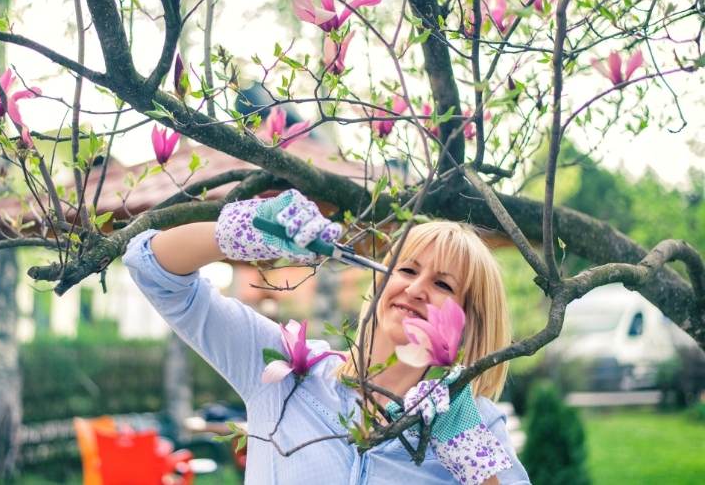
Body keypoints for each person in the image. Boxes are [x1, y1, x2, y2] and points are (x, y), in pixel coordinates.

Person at [124, 189, 530, 484]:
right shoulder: (284, 373)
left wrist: (471, 457)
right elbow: (151, 269)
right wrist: (246, 231)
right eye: (406, 270)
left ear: (469, 322)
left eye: (443, 285)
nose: (416, 288)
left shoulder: (471, 423)